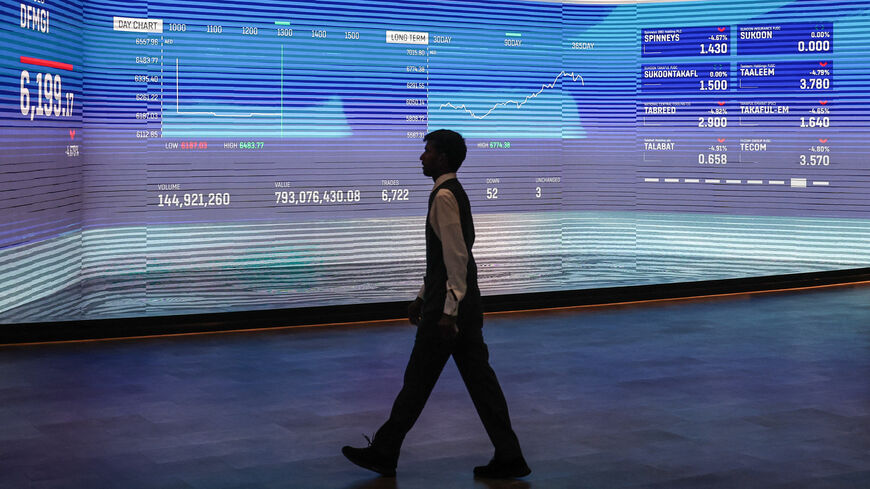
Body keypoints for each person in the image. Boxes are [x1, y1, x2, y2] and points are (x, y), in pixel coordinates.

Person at [342, 129, 530, 479]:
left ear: (442, 158)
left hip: (449, 311)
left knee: (417, 382)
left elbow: (455, 256)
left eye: (427, 151)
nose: (421, 157)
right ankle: (509, 455)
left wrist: (447, 309)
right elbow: (448, 260)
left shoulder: (443, 195)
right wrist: (422, 295)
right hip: (462, 306)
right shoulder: (453, 193)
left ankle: (384, 451)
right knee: (481, 385)